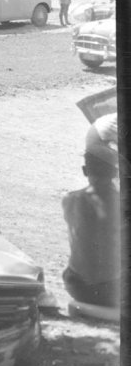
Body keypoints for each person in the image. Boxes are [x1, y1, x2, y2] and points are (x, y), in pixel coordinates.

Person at [62, 114, 120, 310]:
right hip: (110, 292)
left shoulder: (68, 199)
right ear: (115, 173)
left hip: (75, 285)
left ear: (85, 171)